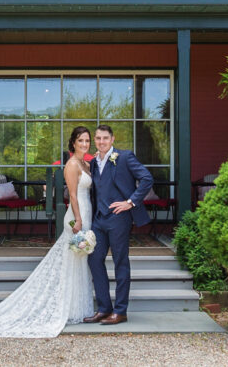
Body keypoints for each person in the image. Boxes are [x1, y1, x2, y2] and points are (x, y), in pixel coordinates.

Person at [0, 126, 95, 337]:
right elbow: (72, 195)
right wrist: (79, 219)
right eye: (80, 140)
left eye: (86, 140)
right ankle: (66, 307)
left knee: (81, 260)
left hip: (87, 211)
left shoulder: (86, 163)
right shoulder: (72, 164)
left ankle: (78, 307)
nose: (84, 144)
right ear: (73, 143)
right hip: (77, 215)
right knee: (71, 260)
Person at [84, 123, 154, 325]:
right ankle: (104, 308)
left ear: (112, 139)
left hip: (119, 219)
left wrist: (130, 202)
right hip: (99, 220)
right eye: (98, 138)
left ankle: (120, 310)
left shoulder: (124, 157)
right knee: (94, 260)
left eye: (105, 138)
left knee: (120, 262)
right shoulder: (94, 162)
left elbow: (147, 178)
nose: (101, 142)